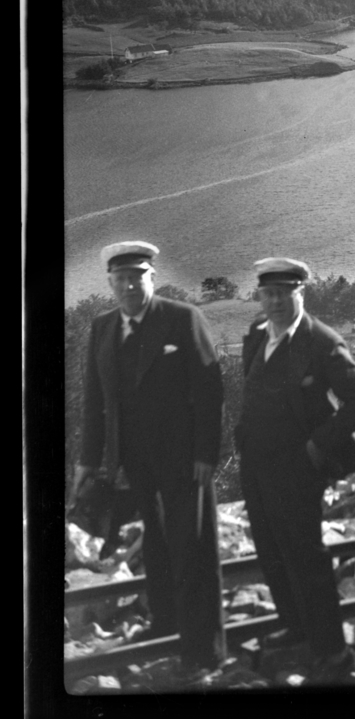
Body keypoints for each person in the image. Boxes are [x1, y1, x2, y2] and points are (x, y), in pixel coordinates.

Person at [70, 242, 226, 677]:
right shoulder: (102, 328)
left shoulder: (182, 318)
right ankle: (165, 624)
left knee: (194, 549)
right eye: (120, 279)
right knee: (156, 543)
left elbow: (210, 391)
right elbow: (95, 402)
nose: (128, 286)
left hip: (184, 461)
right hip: (133, 464)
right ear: (110, 284)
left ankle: (205, 651)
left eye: (137, 277)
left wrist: (205, 456)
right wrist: (88, 462)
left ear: (151, 278)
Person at [236, 257, 355, 685]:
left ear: (301, 293)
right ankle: (297, 627)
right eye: (268, 294)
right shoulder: (257, 336)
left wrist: (318, 444)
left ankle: (333, 653)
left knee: (306, 558)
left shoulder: (322, 342)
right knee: (271, 551)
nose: (275, 301)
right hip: (257, 466)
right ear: (260, 297)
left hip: (297, 469)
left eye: (284, 293)